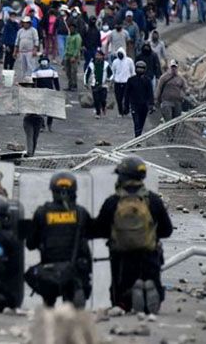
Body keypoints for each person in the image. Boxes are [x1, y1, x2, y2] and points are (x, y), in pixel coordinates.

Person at [93, 157, 173, 314]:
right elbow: (167, 230)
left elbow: (99, 230)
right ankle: (151, 287)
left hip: (121, 259)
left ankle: (123, 301)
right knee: (154, 262)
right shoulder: (153, 200)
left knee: (119, 290)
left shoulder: (113, 201)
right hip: (149, 257)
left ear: (121, 177)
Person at [25, 172, 92, 308]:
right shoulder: (81, 213)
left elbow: (30, 244)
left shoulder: (42, 213)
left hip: (49, 272)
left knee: (48, 303)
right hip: (75, 271)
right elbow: (92, 233)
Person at [155, 59, 187, 138]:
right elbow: (159, 88)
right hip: (166, 101)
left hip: (177, 102)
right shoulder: (164, 78)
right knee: (168, 118)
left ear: (177, 68)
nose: (173, 69)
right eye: (172, 67)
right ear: (169, 67)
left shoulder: (181, 79)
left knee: (176, 119)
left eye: (175, 67)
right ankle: (169, 134)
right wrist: (156, 99)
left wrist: (182, 96)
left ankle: (171, 131)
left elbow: (185, 88)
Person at [31, 56, 60, 131]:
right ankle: (45, 125)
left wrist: (58, 91)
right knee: (45, 110)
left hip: (46, 92)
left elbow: (56, 81)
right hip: (43, 92)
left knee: (46, 110)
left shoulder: (37, 71)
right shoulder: (37, 71)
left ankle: (46, 125)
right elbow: (33, 82)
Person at [84, 50, 112, 118]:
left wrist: (109, 79)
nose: (97, 57)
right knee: (96, 99)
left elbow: (111, 74)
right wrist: (86, 83)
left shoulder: (106, 64)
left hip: (103, 85)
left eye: (99, 55)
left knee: (103, 99)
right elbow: (87, 74)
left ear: (102, 56)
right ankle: (98, 113)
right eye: (96, 55)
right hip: (94, 85)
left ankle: (103, 106)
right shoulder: (91, 64)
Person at [19, 77, 44, 157]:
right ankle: (29, 153)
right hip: (28, 118)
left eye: (29, 85)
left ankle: (32, 153)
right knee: (29, 136)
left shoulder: (37, 94)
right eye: (26, 85)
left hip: (38, 118)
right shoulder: (22, 94)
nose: (27, 86)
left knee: (35, 138)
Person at [14, 16, 39, 83]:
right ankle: (24, 79)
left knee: (31, 65)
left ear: (29, 23)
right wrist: (15, 51)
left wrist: (35, 50)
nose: (25, 24)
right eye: (24, 23)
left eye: (27, 23)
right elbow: (17, 41)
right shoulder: (20, 31)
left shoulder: (33, 30)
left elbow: (36, 40)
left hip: (30, 51)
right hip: (22, 51)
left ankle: (32, 78)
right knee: (23, 66)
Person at [110, 47, 134, 117]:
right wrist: (111, 82)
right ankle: (120, 112)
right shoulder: (115, 62)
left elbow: (132, 71)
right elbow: (113, 73)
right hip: (117, 82)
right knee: (118, 98)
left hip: (127, 82)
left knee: (127, 98)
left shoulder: (129, 61)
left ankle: (126, 111)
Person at [63, 23, 82, 91]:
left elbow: (77, 47)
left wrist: (74, 56)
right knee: (68, 72)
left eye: (72, 28)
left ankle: (74, 85)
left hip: (73, 56)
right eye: (70, 28)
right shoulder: (68, 37)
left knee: (73, 71)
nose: (71, 30)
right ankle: (70, 85)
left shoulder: (77, 37)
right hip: (67, 55)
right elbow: (66, 46)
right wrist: (64, 56)